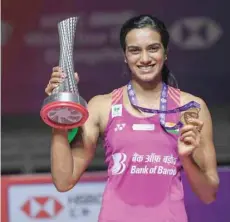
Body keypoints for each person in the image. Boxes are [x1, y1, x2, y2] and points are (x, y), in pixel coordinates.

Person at [45, 15, 219, 222]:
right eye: (135, 50)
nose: (145, 58)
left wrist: (186, 159)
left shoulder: (190, 108)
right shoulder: (103, 106)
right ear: (125, 56)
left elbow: (208, 194)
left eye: (153, 48)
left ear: (165, 53)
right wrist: (58, 110)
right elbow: (64, 180)